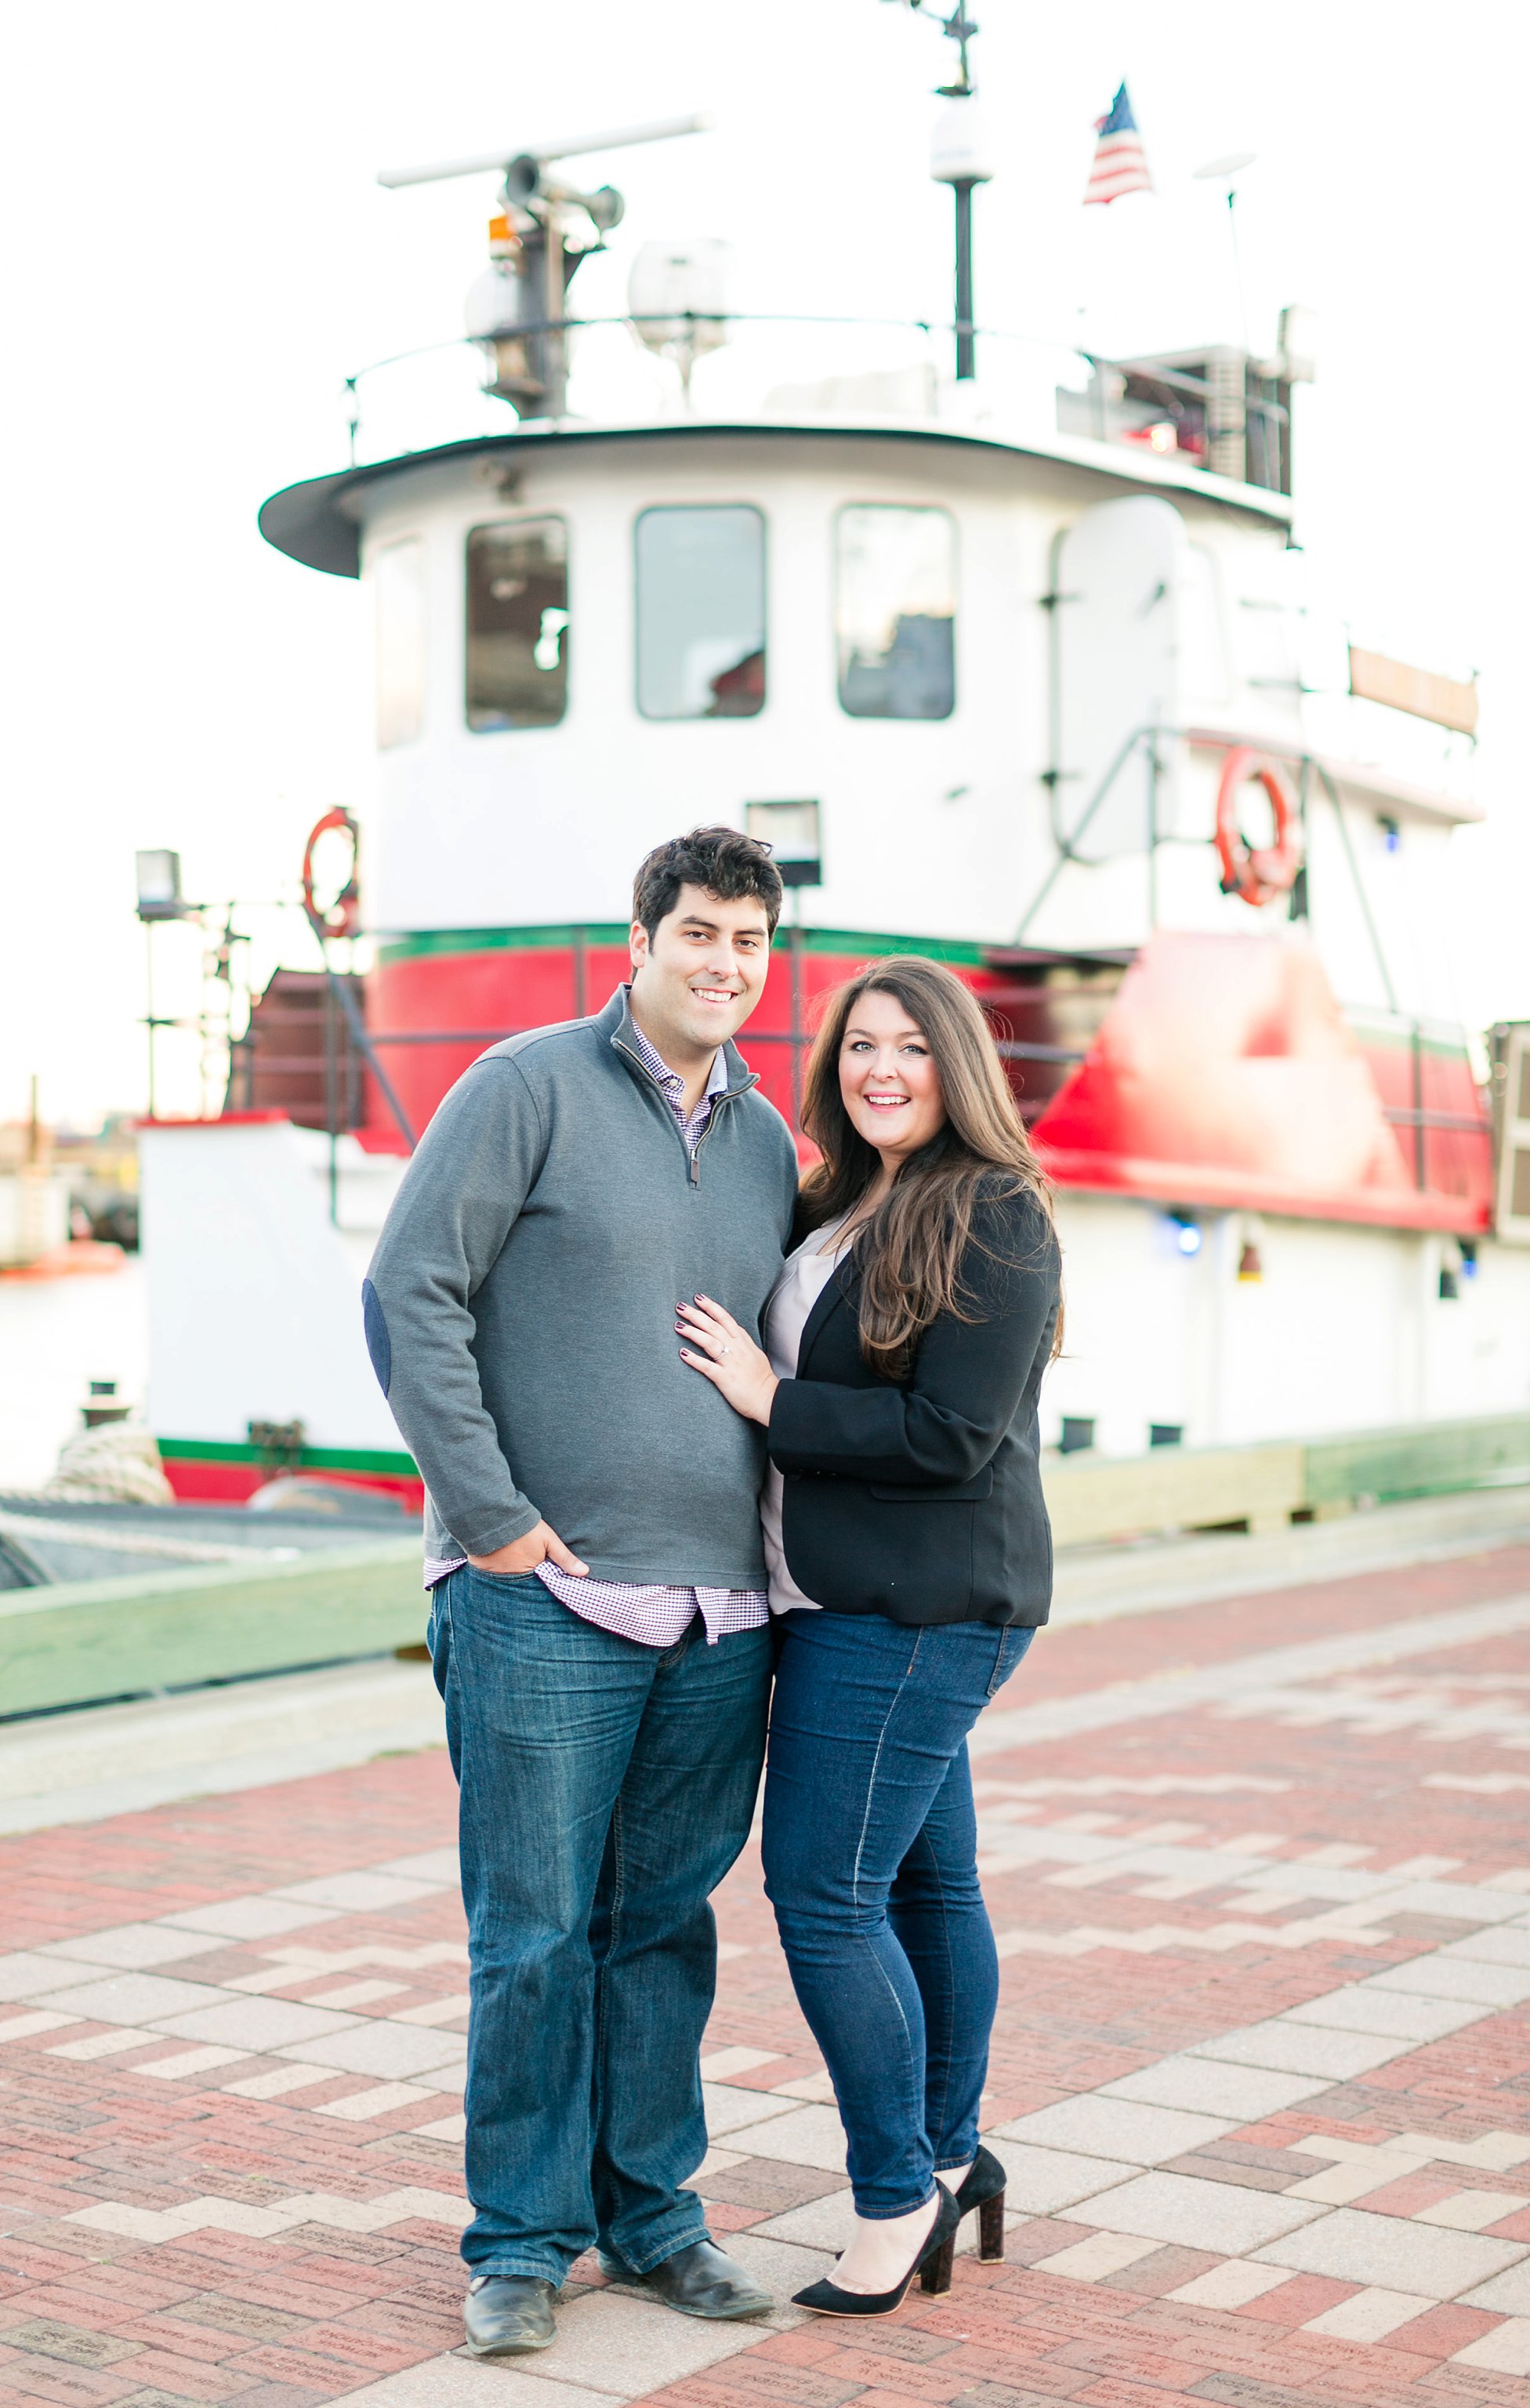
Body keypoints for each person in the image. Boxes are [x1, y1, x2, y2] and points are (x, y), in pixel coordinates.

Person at [364, 828, 797, 2358]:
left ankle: (654, 2216)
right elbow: (407, 1287)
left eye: (748, 940)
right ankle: (522, 2245)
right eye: (698, 933)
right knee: (535, 1931)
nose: (723, 964)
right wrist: (486, 1516)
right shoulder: (523, 1086)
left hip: (716, 1616)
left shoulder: (762, 1142)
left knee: (662, 1926)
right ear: (639, 938)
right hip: (543, 1602)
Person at [676, 956, 1061, 2320]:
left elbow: (953, 1436)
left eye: (908, 1047)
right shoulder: (846, 1200)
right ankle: (953, 2158)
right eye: (857, 1048)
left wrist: (775, 1400)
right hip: (845, 1598)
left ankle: (896, 2194)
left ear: (957, 1063)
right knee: (927, 1888)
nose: (880, 1069)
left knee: (825, 1901)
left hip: (912, 1610)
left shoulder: (997, 1214)